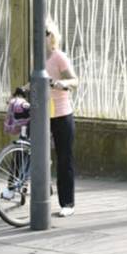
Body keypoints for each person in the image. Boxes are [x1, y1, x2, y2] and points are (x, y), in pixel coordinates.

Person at [45, 18, 79, 218]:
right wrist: (22, 90)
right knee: (27, 148)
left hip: (62, 113)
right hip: (43, 113)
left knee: (64, 157)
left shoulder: (58, 57)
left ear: (52, 36)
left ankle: (67, 203)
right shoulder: (37, 58)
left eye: (46, 32)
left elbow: (75, 80)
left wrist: (62, 83)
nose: (43, 36)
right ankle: (15, 186)